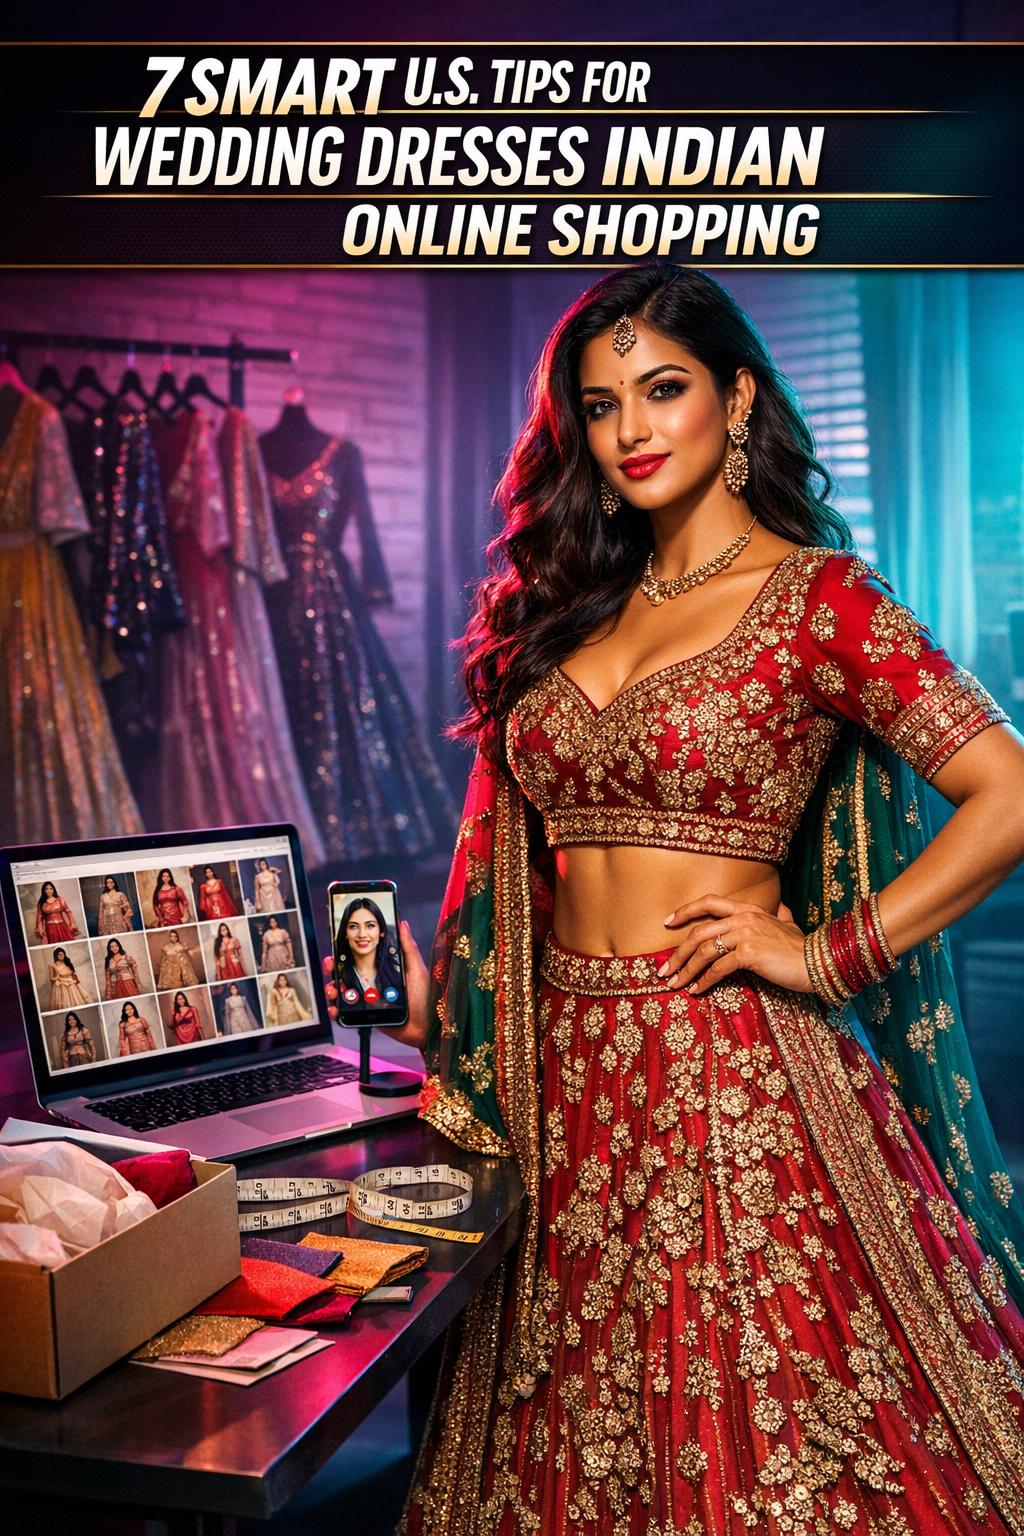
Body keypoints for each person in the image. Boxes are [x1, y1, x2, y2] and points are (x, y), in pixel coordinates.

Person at [344, 265, 1024, 1536]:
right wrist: (430, 992)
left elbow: (1008, 793)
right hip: (555, 1085)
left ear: (738, 396)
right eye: (600, 407)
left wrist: (829, 955)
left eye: (664, 391)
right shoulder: (560, 610)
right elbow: (496, 867)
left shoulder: (822, 600)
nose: (633, 430)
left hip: (733, 1073)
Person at [333, 896, 403, 1010]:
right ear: (345, 933)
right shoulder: (342, 978)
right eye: (353, 926)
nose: (362, 934)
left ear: (382, 932)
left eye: (370, 925)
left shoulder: (397, 972)